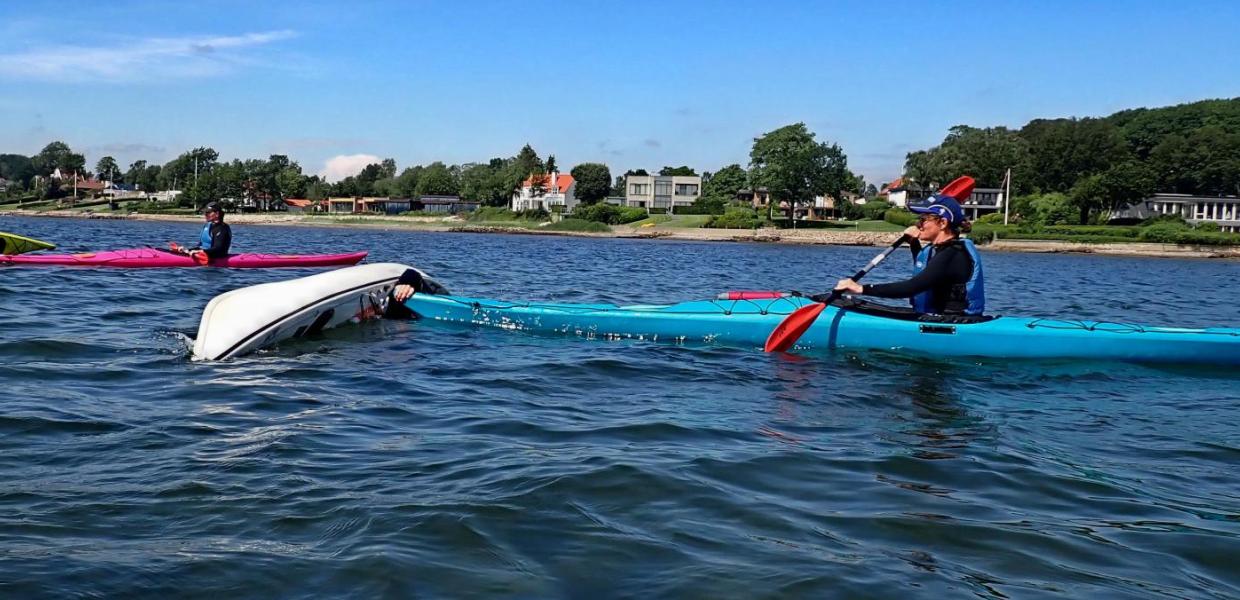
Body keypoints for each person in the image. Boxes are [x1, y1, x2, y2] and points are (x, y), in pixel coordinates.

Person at [833, 193, 985, 315]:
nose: (919, 224)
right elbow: (928, 270)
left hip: (954, 322)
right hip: (937, 317)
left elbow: (911, 287)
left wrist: (861, 289)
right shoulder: (940, 249)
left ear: (943, 223)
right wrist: (913, 243)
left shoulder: (952, 254)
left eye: (924, 219)